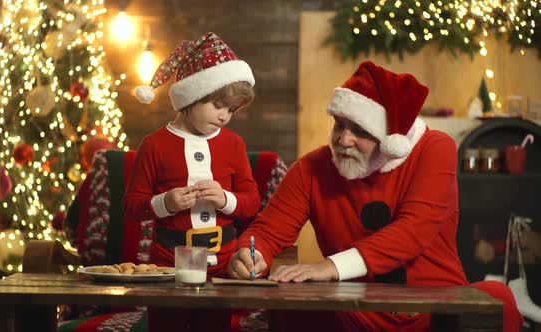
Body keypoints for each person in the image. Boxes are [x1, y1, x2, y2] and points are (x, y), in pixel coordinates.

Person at [227, 61, 523, 332]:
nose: (343, 139)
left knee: (498, 299)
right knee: (291, 305)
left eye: (359, 130)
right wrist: (250, 255)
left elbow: (413, 231)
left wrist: (329, 267)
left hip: (436, 309)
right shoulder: (311, 168)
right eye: (339, 125)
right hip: (352, 311)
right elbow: (267, 231)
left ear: (390, 138)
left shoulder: (434, 148)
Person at [123, 32, 261, 332]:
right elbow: (132, 206)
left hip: (223, 265)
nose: (225, 116)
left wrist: (225, 198)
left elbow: (252, 201)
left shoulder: (234, 144)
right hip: (166, 267)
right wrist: (165, 203)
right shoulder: (154, 145)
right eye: (219, 105)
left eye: (232, 110)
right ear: (191, 97)